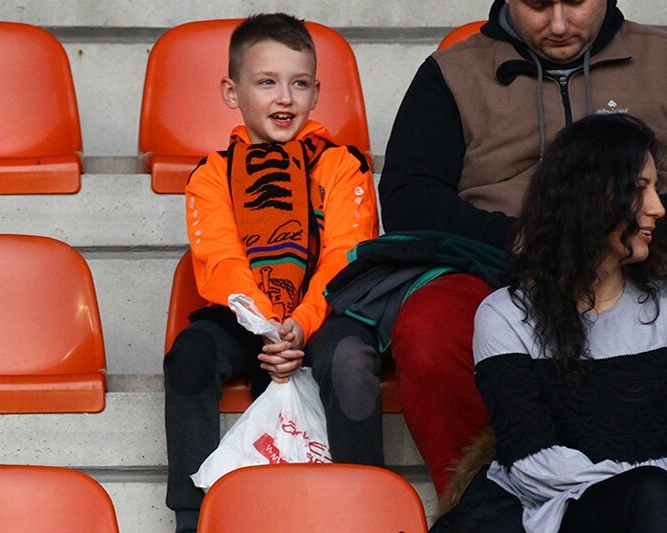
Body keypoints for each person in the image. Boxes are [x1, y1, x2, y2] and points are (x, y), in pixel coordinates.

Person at [379, 0, 667, 496]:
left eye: (575, 2)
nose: (558, 23)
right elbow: (409, 198)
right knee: (428, 328)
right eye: (536, 4)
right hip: (497, 265)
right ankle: (478, 499)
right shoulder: (452, 73)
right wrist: (520, 239)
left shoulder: (659, 60)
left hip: (642, 258)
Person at [163, 13, 381, 532]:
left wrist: (299, 325)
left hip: (325, 312)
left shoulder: (343, 165)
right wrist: (266, 326)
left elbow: (344, 258)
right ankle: (194, 518)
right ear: (231, 92)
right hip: (247, 317)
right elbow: (220, 262)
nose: (284, 98)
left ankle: (368, 510)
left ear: (316, 93)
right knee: (189, 357)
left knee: (351, 361)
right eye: (266, 83)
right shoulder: (212, 174)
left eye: (299, 84)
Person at [434, 113, 667, 531]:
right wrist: (641, 487)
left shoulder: (663, 309)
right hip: (543, 514)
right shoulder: (506, 315)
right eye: (638, 190)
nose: (658, 208)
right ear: (589, 199)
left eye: (655, 188)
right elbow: (532, 462)